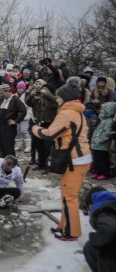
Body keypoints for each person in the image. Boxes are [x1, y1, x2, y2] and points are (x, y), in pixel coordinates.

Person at [32, 77, 91, 241]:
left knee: (69, 197)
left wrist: (35, 128)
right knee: (68, 195)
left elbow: (50, 134)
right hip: (81, 158)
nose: (56, 99)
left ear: (64, 98)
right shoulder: (77, 113)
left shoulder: (66, 114)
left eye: (58, 97)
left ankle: (72, 232)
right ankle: (65, 226)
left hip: (74, 159)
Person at [83, 187, 116, 272]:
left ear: (90, 204)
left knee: (91, 248)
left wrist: (94, 238)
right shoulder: (111, 204)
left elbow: (110, 229)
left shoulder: (104, 210)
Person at [26, 80, 58, 170]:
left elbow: (57, 102)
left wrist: (48, 94)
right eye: (43, 88)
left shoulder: (53, 100)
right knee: (39, 146)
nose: (44, 90)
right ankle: (41, 164)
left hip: (48, 126)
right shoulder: (38, 99)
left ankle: (47, 166)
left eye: (46, 89)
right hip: (38, 125)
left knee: (47, 148)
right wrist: (31, 95)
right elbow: (28, 103)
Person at [0, 84, 27, 158]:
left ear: (7, 91)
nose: (1, 94)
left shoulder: (15, 99)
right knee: (0, 145)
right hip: (1, 126)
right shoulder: (3, 100)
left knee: (8, 147)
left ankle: (12, 165)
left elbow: (23, 111)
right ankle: (3, 163)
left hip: (9, 127)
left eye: (2, 93)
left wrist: (16, 121)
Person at [90, 102, 116, 180]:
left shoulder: (109, 121)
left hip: (102, 145)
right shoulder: (102, 119)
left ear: (109, 111)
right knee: (96, 160)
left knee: (103, 161)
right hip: (96, 144)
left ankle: (105, 173)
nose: (101, 111)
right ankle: (97, 172)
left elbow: (107, 134)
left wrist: (99, 140)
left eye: (103, 110)